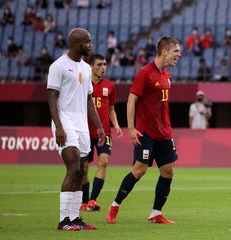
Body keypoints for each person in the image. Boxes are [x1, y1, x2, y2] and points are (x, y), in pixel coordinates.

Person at [106, 36, 181, 225]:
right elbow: (132, 100)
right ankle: (115, 205)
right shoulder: (145, 73)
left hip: (165, 133)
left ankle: (155, 213)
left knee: (168, 172)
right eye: (176, 51)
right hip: (146, 133)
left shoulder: (166, 75)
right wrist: (131, 128)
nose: (179, 55)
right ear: (164, 51)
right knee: (139, 171)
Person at [47, 28, 105, 231]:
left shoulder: (86, 68)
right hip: (65, 123)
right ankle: (64, 220)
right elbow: (52, 97)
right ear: (76, 43)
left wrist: (98, 126)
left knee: (82, 172)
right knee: (73, 169)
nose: (90, 45)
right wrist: (59, 126)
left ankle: (75, 218)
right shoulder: (58, 66)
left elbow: (89, 99)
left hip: (82, 125)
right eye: (87, 42)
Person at [80, 54, 122, 211]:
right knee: (83, 168)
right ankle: (84, 201)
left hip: (104, 133)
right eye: (99, 64)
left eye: (105, 64)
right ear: (90, 66)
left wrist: (116, 125)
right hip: (85, 133)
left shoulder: (110, 86)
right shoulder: (83, 85)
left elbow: (111, 109)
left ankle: (93, 200)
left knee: (103, 162)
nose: (103, 67)